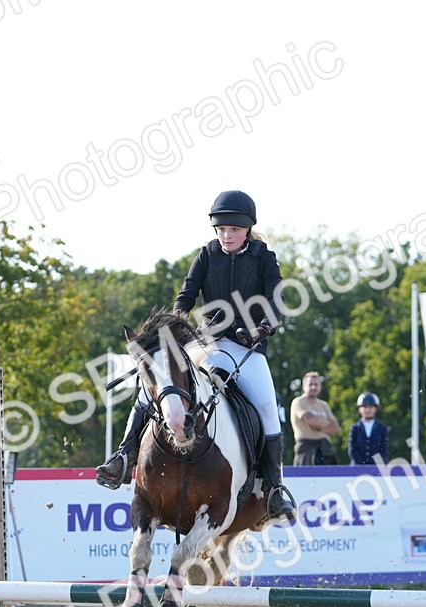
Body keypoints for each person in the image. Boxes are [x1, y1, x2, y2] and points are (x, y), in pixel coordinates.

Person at [94, 189, 296, 525]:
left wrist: (262, 328)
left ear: (247, 229)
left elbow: (275, 300)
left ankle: (274, 490)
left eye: (233, 230)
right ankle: (123, 457)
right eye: (221, 230)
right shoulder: (205, 255)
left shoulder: (263, 257)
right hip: (208, 345)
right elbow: (184, 298)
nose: (227, 236)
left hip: (247, 350)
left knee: (266, 409)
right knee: (156, 389)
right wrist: (177, 327)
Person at [289, 371, 340, 465]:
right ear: (304, 386)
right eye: (310, 384)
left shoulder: (324, 405)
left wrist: (318, 425)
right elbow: (313, 422)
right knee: (305, 479)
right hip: (306, 449)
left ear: (320, 386)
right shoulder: (299, 402)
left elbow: (335, 428)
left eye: (316, 384)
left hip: (325, 450)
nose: (313, 387)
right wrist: (325, 425)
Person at [348, 392, 390, 466]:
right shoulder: (355, 428)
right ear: (359, 409)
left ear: (376, 408)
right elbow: (352, 449)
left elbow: (383, 449)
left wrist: (374, 466)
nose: (367, 410)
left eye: (370, 406)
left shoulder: (382, 428)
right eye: (364, 407)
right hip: (357, 468)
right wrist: (361, 465)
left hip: (376, 468)